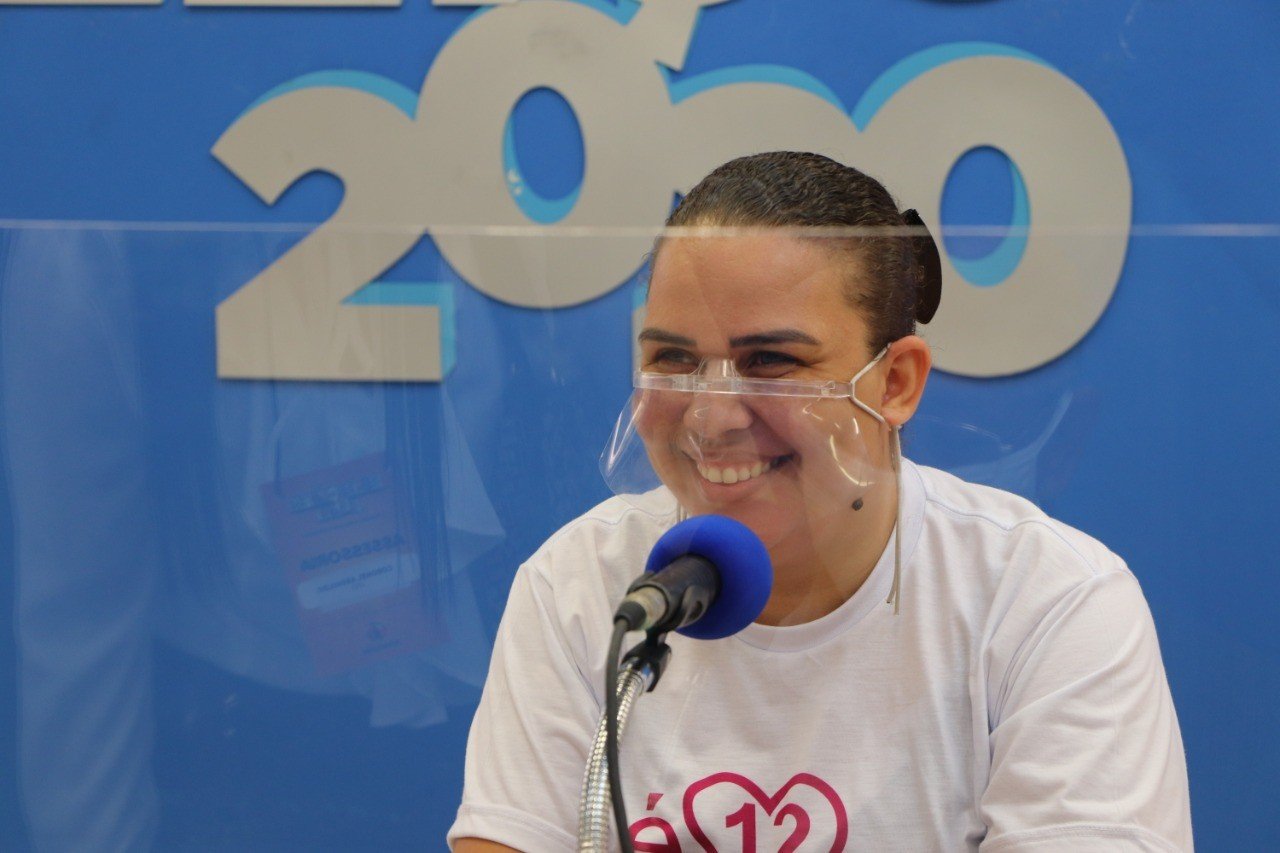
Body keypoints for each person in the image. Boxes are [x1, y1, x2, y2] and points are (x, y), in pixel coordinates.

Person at [449, 152, 1192, 851]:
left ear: (895, 383)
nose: (711, 417)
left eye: (771, 361)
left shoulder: (1046, 602)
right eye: (673, 358)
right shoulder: (586, 590)